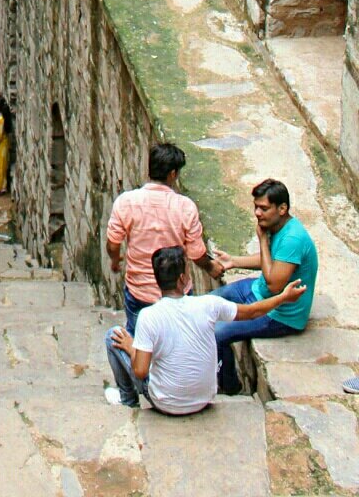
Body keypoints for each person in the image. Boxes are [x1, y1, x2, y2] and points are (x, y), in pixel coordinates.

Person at [105, 243, 307, 412]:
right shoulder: (207, 305)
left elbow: (140, 371)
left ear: (157, 280)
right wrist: (283, 298)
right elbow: (252, 311)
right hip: (203, 399)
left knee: (112, 336)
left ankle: (128, 402)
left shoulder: (148, 317)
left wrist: (131, 346)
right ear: (182, 279)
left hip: (165, 403)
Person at [210, 178, 318, 395]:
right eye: (256, 207)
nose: (258, 213)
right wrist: (235, 261)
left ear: (282, 208)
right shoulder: (278, 226)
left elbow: (275, 283)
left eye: (264, 208)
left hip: (280, 314)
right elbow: (273, 262)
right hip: (258, 291)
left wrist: (262, 241)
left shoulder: (292, 238)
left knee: (216, 335)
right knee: (207, 303)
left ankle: (229, 386)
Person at [105, 142, 222, 334]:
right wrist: (211, 266)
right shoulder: (185, 207)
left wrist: (115, 261)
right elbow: (196, 253)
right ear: (173, 174)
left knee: (138, 342)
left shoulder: (126, 202)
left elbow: (113, 243)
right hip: (176, 293)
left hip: (139, 290)